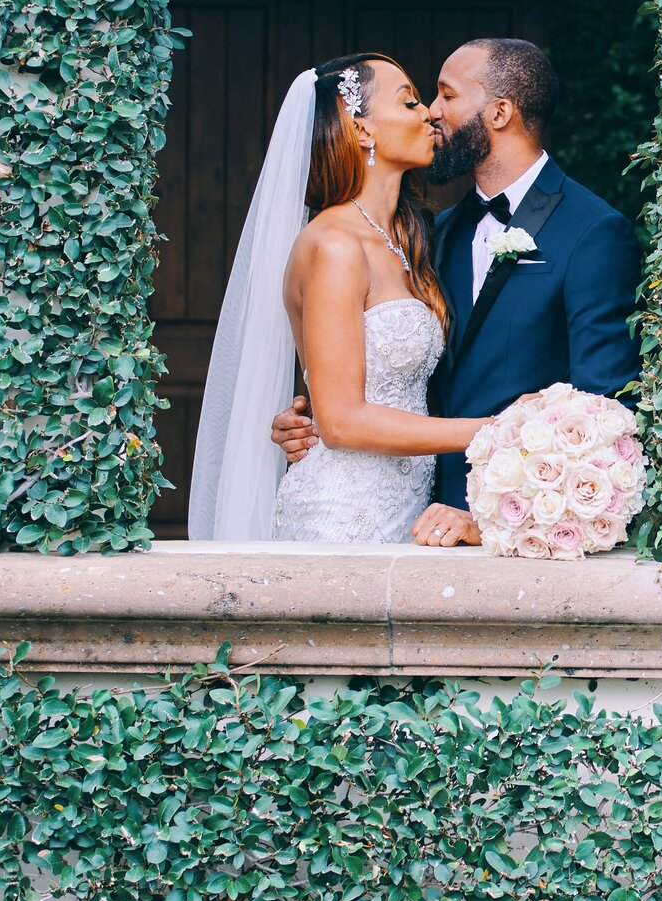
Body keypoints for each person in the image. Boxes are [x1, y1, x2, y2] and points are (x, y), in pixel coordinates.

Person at [271, 37, 642, 546]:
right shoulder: (435, 233)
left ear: (499, 112)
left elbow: (602, 412)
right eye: (417, 100)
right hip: (393, 511)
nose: (431, 112)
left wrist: (496, 516)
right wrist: (315, 419)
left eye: (445, 96)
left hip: (506, 523)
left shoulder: (593, 232)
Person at [185, 53, 490, 542]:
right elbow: (343, 421)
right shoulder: (334, 246)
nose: (429, 113)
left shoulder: (408, 239)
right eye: (409, 101)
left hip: (409, 505)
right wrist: (494, 430)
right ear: (362, 130)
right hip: (341, 513)